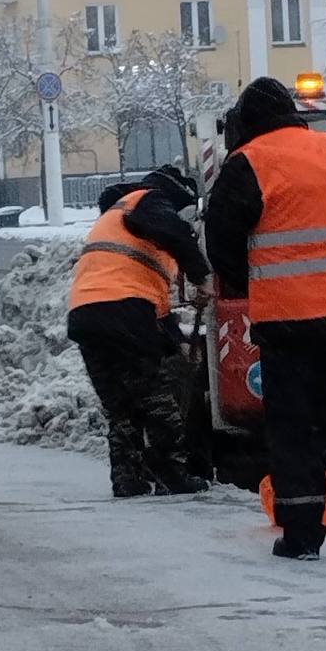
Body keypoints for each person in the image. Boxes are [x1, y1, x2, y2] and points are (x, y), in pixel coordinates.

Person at [205, 76, 326, 559]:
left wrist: (258, 283)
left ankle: (303, 535)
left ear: (245, 123)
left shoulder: (247, 162)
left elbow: (222, 243)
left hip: (288, 318)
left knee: (293, 422)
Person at [68, 164, 213, 498]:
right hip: (124, 310)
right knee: (157, 399)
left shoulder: (117, 217)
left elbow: (147, 306)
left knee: (120, 405)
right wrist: (202, 276)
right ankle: (173, 476)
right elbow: (174, 232)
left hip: (87, 314)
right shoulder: (149, 201)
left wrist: (171, 342)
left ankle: (127, 478)